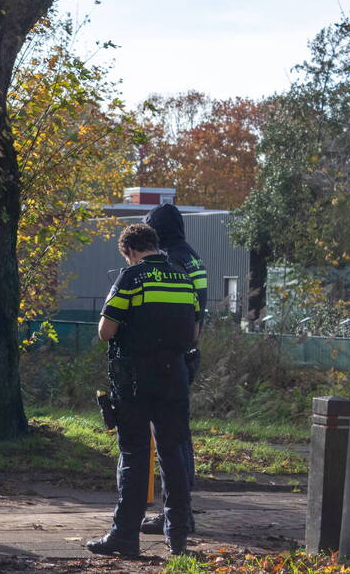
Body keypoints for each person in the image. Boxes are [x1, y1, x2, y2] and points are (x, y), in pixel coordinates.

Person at [86, 223, 200, 557]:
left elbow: (106, 331)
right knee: (173, 453)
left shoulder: (130, 278)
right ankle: (177, 538)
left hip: (135, 379)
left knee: (135, 454)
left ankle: (124, 537)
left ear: (131, 251)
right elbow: (193, 334)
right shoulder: (184, 278)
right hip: (175, 377)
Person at [140, 203, 207, 536]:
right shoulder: (192, 255)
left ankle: (176, 512)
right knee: (180, 433)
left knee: (169, 438)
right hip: (188, 353)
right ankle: (180, 510)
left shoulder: (172, 260)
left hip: (170, 357)